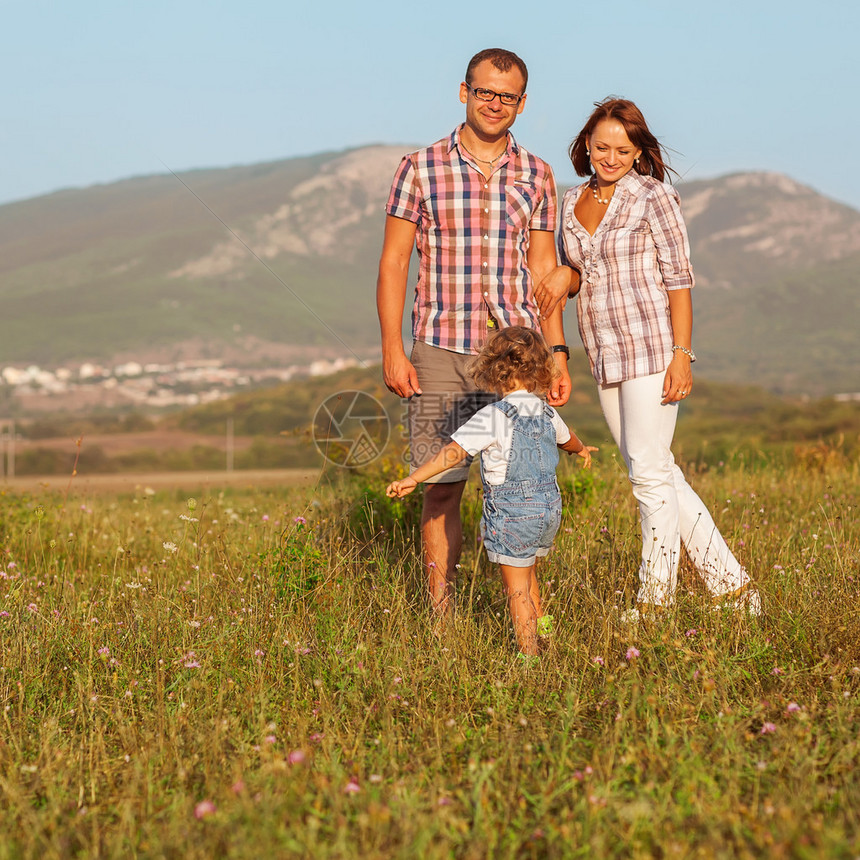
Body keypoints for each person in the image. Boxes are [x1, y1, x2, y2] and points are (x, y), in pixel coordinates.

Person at [534, 97, 760, 615]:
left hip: (652, 346)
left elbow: (679, 281)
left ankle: (655, 601)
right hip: (604, 349)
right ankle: (735, 589)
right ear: (586, 145)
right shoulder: (571, 201)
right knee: (658, 470)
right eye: (601, 147)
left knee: (647, 476)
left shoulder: (654, 197)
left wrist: (682, 354)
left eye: (623, 148)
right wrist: (566, 275)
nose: (611, 157)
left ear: (638, 151)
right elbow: (575, 266)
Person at [377, 48, 571, 618]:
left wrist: (557, 354)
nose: (494, 103)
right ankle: (442, 619)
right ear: (463, 92)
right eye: (484, 91)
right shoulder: (420, 167)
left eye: (506, 96)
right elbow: (394, 263)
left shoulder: (537, 173)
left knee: (522, 485)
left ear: (522, 103)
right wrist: (393, 347)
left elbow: (543, 275)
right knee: (441, 487)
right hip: (439, 346)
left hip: (516, 358)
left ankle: (524, 617)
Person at [386, 327, 596, 656]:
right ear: (541, 369)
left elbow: (452, 454)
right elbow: (567, 438)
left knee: (517, 592)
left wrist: (415, 479)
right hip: (549, 512)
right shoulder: (547, 411)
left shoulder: (491, 417)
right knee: (531, 582)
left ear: (493, 370)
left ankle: (530, 659)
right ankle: (548, 639)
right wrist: (581, 451)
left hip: (514, 516)